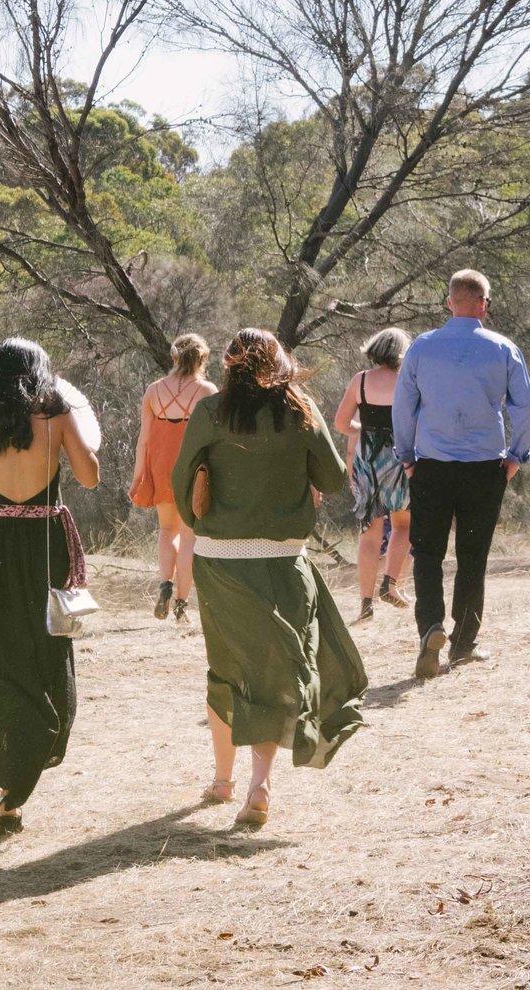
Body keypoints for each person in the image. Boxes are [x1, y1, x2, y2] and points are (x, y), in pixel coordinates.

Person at [173, 328, 367, 830]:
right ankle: (259, 783)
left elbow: (181, 483)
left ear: (230, 366)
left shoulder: (211, 413)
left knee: (227, 668)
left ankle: (222, 781)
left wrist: (207, 527)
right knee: (275, 672)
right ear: (280, 364)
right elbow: (332, 479)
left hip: (218, 562)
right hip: (283, 561)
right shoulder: (298, 410)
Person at [0, 338, 101, 834]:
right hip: (43, 548)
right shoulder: (55, 414)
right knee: (44, 665)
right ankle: (10, 800)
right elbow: (90, 478)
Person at [393, 269, 530, 681]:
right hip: (483, 466)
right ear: (484, 305)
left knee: (428, 552)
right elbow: (526, 408)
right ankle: (463, 643)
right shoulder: (503, 348)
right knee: (473, 556)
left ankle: (430, 628)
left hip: (432, 466)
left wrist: (406, 456)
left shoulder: (422, 347)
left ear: (449, 303)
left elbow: (403, 408)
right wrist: (516, 455)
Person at [132, 334, 216, 624]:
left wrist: (139, 476)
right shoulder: (207, 391)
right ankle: (181, 605)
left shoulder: (154, 391)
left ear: (174, 357)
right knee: (190, 534)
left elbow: (143, 439)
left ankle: (165, 584)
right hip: (192, 467)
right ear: (202, 359)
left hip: (160, 465)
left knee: (167, 530)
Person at [334, 328, 413, 619]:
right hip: (400, 458)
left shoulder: (361, 380)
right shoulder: (407, 380)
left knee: (369, 534)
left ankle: (365, 604)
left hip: (367, 461)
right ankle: (390, 584)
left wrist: (363, 431)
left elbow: (341, 424)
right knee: (404, 525)